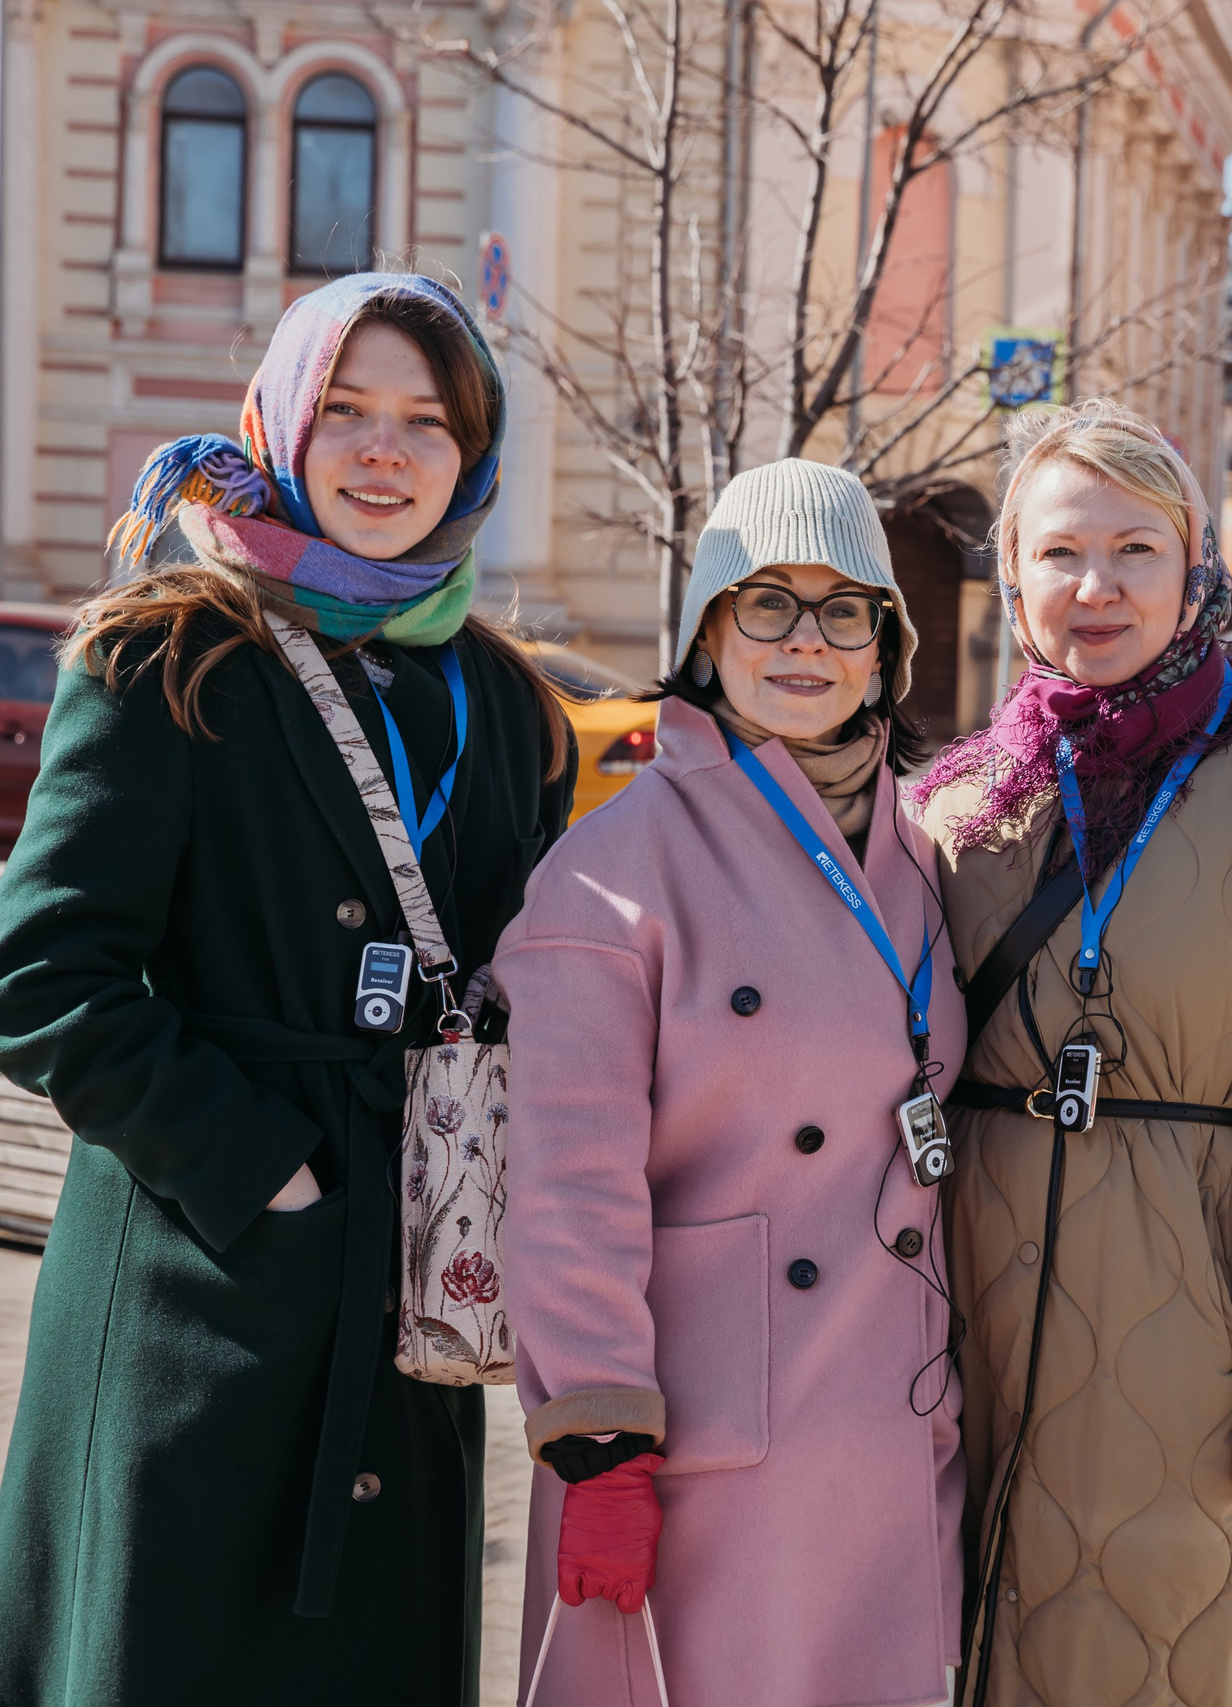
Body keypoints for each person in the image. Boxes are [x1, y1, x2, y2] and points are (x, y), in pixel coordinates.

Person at [0, 273, 573, 1707]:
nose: (383, 451)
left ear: (470, 455)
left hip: (408, 1281)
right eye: (346, 409)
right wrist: (267, 1170)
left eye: (426, 421)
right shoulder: (167, 653)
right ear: (282, 424)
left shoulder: (504, 694)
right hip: (203, 1275)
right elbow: (39, 977)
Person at [918, 401, 1232, 1707]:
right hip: (964, 1335)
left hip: (1197, 1340)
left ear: (1197, 568)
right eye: (1061, 550)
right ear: (1012, 574)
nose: (1098, 585)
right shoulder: (956, 807)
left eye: (1137, 548)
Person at [493, 457, 965, 1707]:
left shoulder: (922, 853)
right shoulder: (610, 872)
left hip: (892, 1419)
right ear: (707, 632)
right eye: (767, 603)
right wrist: (598, 1444)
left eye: (843, 608)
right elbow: (566, 1182)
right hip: (696, 1444)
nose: (804, 641)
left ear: (884, 647)